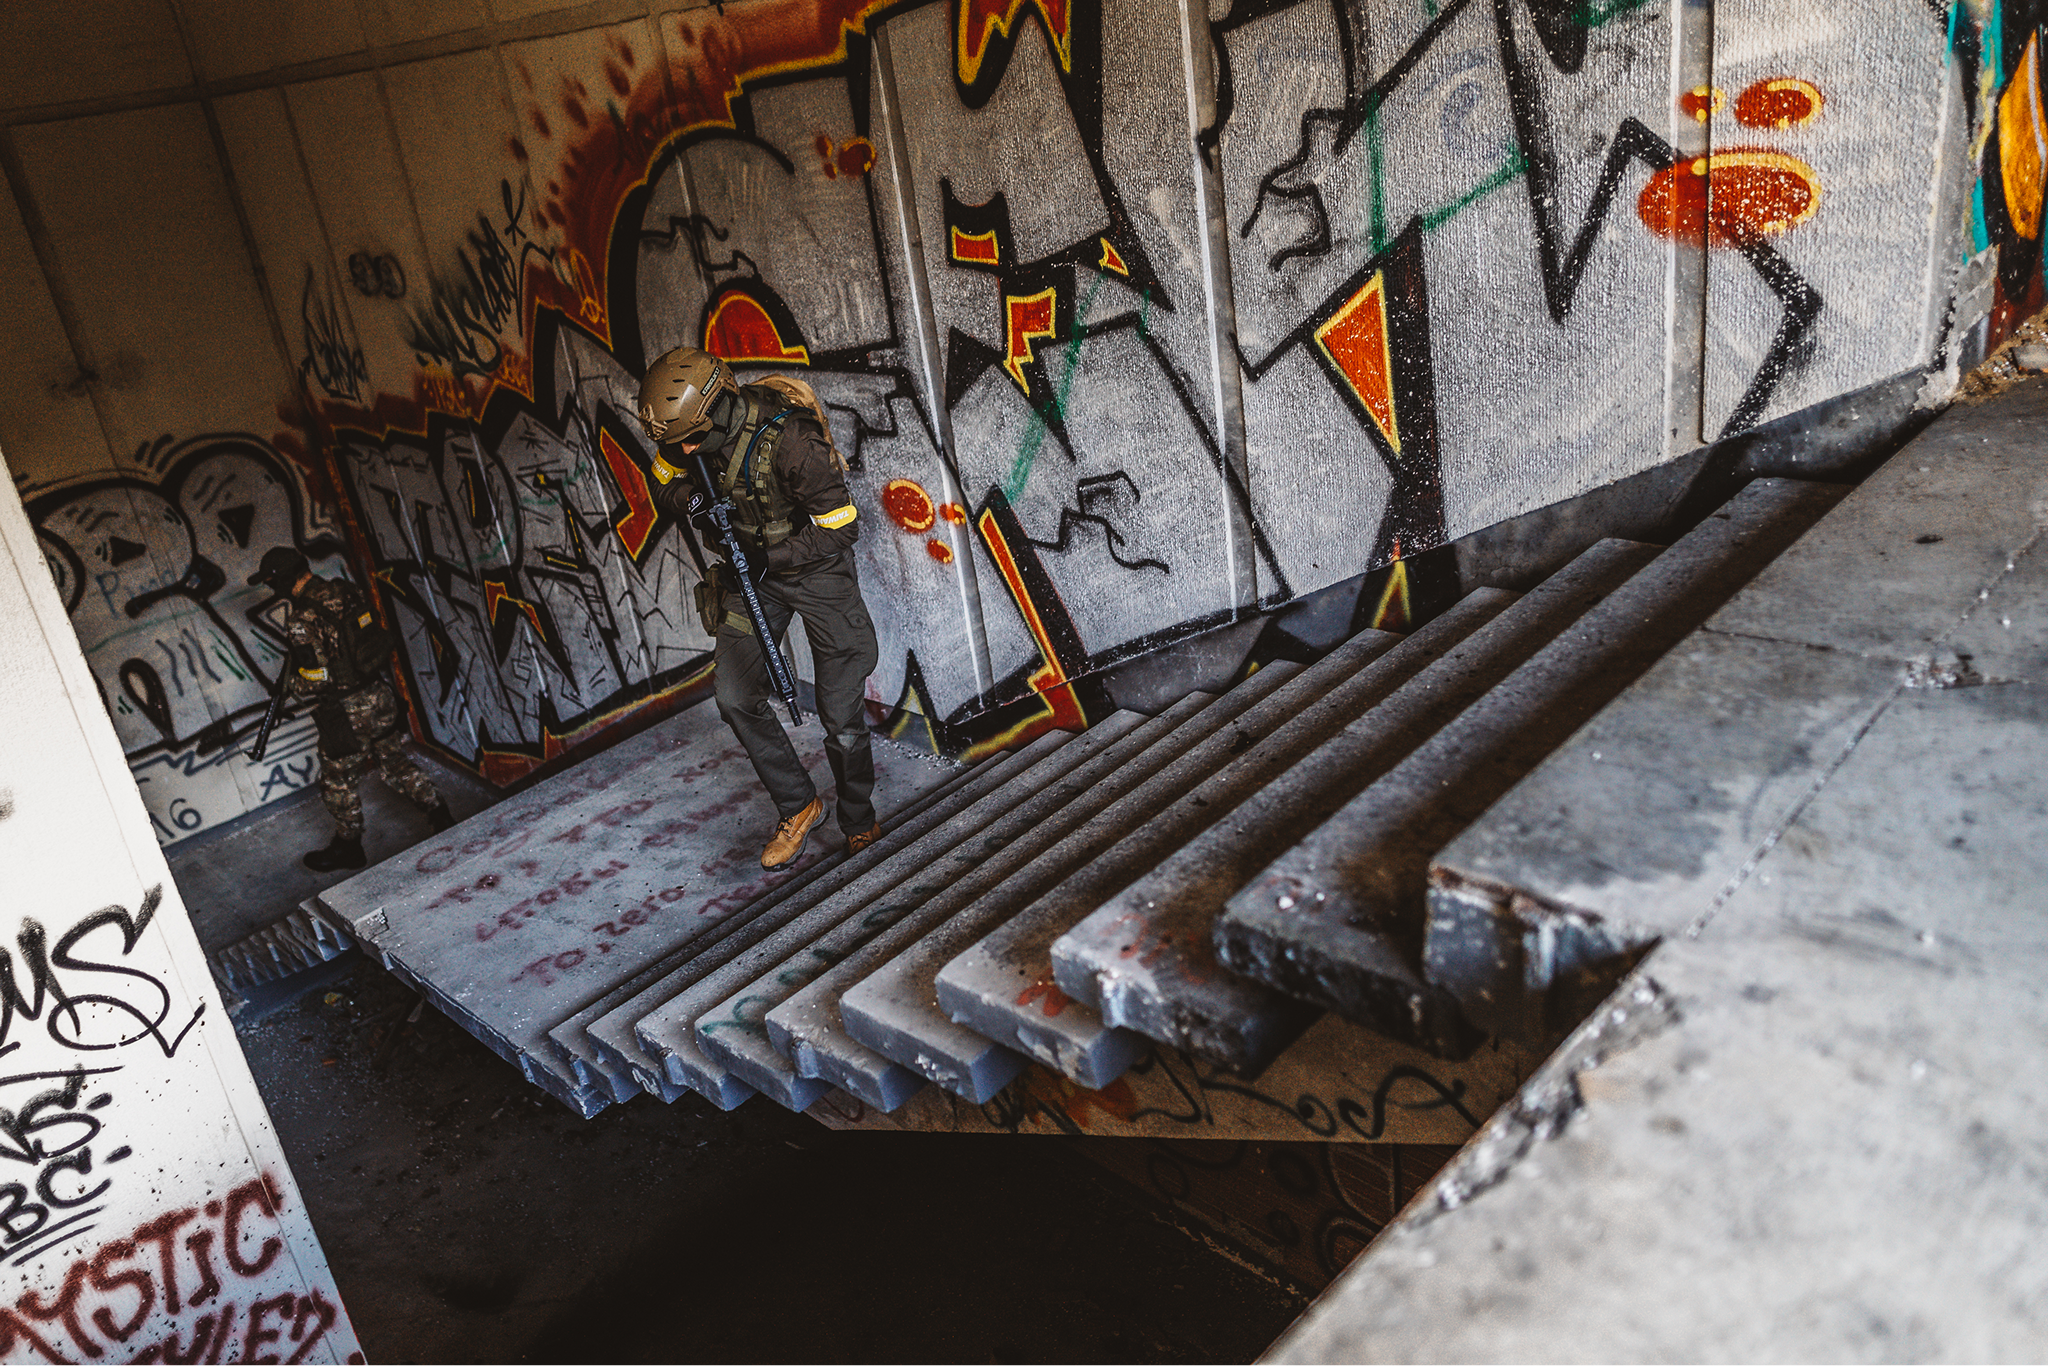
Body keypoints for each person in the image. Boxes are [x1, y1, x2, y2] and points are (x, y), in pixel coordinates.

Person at [636, 347, 881, 870]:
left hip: (816, 574)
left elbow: (842, 528)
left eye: (694, 440)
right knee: (734, 694)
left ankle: (858, 819)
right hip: (752, 579)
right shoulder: (686, 437)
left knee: (840, 718)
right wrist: (689, 500)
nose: (687, 451)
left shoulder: (793, 443)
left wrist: (770, 556)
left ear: (720, 405)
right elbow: (660, 476)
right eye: (679, 443)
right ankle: (799, 805)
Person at [247, 547, 454, 871]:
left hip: (348, 712)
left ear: (284, 579)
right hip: (378, 694)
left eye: (273, 581)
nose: (273, 588)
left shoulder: (301, 619)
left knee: (337, 781)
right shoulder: (344, 590)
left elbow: (317, 679)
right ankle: (440, 814)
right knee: (394, 761)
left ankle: (348, 846)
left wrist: (292, 687)